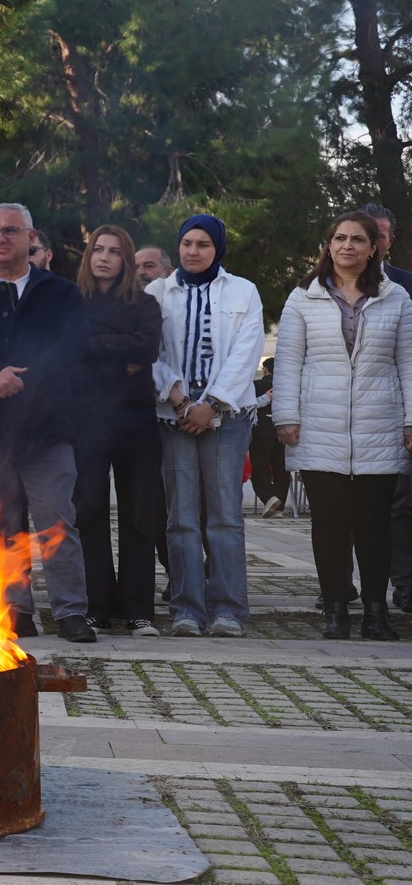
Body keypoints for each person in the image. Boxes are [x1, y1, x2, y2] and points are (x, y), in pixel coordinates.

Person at [0, 203, 94, 643]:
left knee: (58, 523)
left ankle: (71, 612)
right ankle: (14, 610)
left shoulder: (61, 293)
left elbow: (71, 348)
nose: (0, 239)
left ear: (30, 237)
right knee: (0, 527)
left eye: (10, 230)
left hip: (47, 431)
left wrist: (17, 380)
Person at [272, 212, 412, 641]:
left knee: (374, 524)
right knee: (329, 522)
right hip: (319, 425)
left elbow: (408, 363)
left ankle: (375, 613)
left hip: (379, 427)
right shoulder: (303, 297)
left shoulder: (396, 298)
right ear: (328, 245)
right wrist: (286, 417)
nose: (347, 245)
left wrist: (411, 420)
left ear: (374, 248)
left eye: (357, 239)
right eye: (339, 238)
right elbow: (289, 361)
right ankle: (336, 610)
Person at [146, 215, 265, 638]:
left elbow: (246, 352)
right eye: (187, 243)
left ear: (218, 249)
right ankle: (186, 610)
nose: (193, 251)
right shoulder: (156, 292)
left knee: (224, 516)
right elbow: (150, 353)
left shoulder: (243, 291)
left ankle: (228, 609)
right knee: (181, 517)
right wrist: (180, 400)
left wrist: (210, 404)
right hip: (174, 413)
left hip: (226, 415)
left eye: (203, 244)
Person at [72, 225, 164, 637]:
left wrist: (96, 347)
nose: (104, 258)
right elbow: (70, 349)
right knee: (89, 511)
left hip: (136, 417)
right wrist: (120, 349)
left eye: (114, 251)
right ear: (89, 255)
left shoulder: (145, 303)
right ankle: (97, 607)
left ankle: (138, 609)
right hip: (87, 417)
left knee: (140, 515)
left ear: (126, 260)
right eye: (98, 250)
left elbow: (148, 348)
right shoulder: (73, 301)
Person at [359, 203, 412, 614]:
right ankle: (339, 584)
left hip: (402, 407)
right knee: (355, 504)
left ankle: (404, 584)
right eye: (366, 233)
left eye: (380, 235)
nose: (373, 242)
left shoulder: (407, 286)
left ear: (390, 240)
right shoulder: (323, 285)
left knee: (402, 501)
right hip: (352, 411)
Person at [249, 358, 288, 518]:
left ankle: (269, 497)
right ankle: (279, 506)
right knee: (282, 469)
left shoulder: (255, 386)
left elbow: (246, 406)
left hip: (261, 431)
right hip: (283, 429)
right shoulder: (287, 387)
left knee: (259, 468)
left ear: (265, 369)